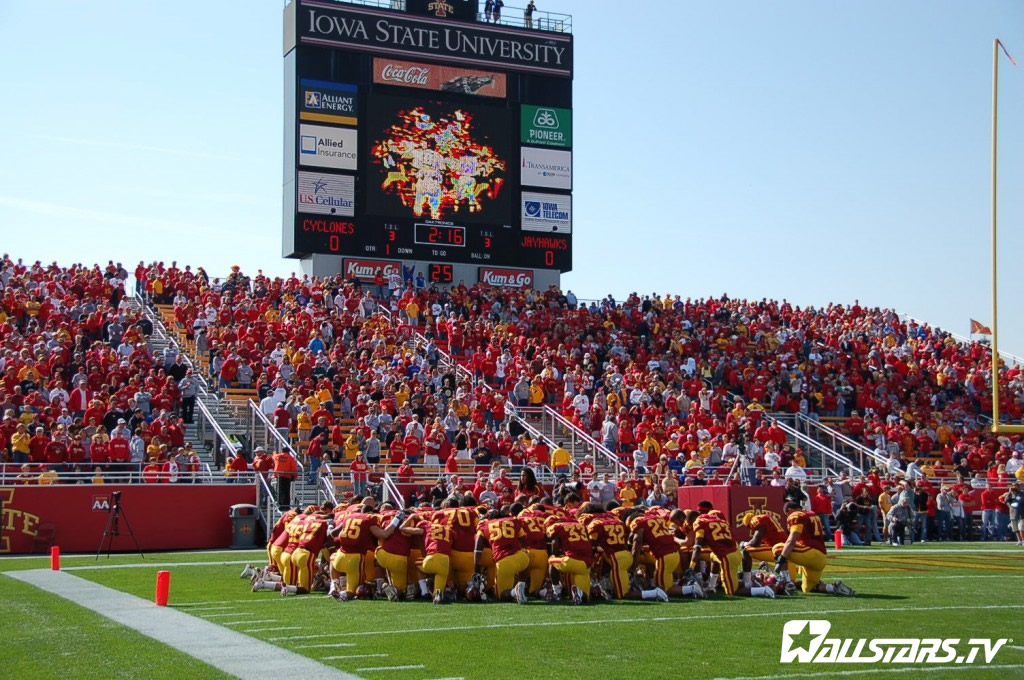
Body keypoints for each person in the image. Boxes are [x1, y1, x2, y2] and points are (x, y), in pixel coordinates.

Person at [773, 501, 854, 595]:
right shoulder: (811, 513)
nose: (787, 517)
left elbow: (791, 541)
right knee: (808, 588)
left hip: (811, 553)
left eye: (786, 514)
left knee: (778, 548)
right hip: (821, 557)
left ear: (790, 510)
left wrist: (781, 560)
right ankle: (834, 588)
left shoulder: (796, 515)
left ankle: (787, 583)